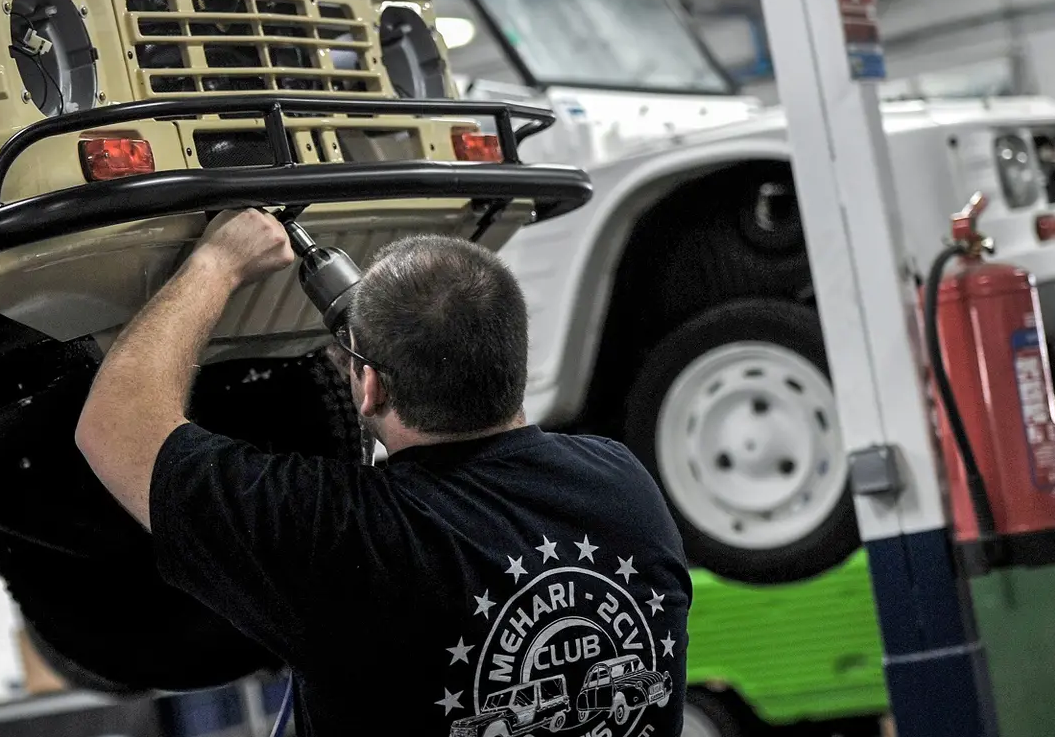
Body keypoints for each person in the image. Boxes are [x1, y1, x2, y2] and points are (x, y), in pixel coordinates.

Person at [76, 210, 692, 737]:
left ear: (368, 386)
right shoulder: (621, 482)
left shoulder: (348, 540)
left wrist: (217, 263)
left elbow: (113, 426)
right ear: (513, 360)